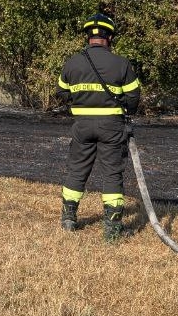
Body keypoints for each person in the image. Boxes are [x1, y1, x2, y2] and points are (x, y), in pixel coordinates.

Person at [54, 13, 141, 241]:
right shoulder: (121, 63)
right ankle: (112, 230)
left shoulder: (72, 62)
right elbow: (133, 96)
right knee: (112, 173)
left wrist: (81, 101)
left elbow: (61, 92)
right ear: (109, 36)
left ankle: (69, 219)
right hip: (112, 127)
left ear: (88, 37)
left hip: (81, 126)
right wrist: (124, 109)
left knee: (77, 170)